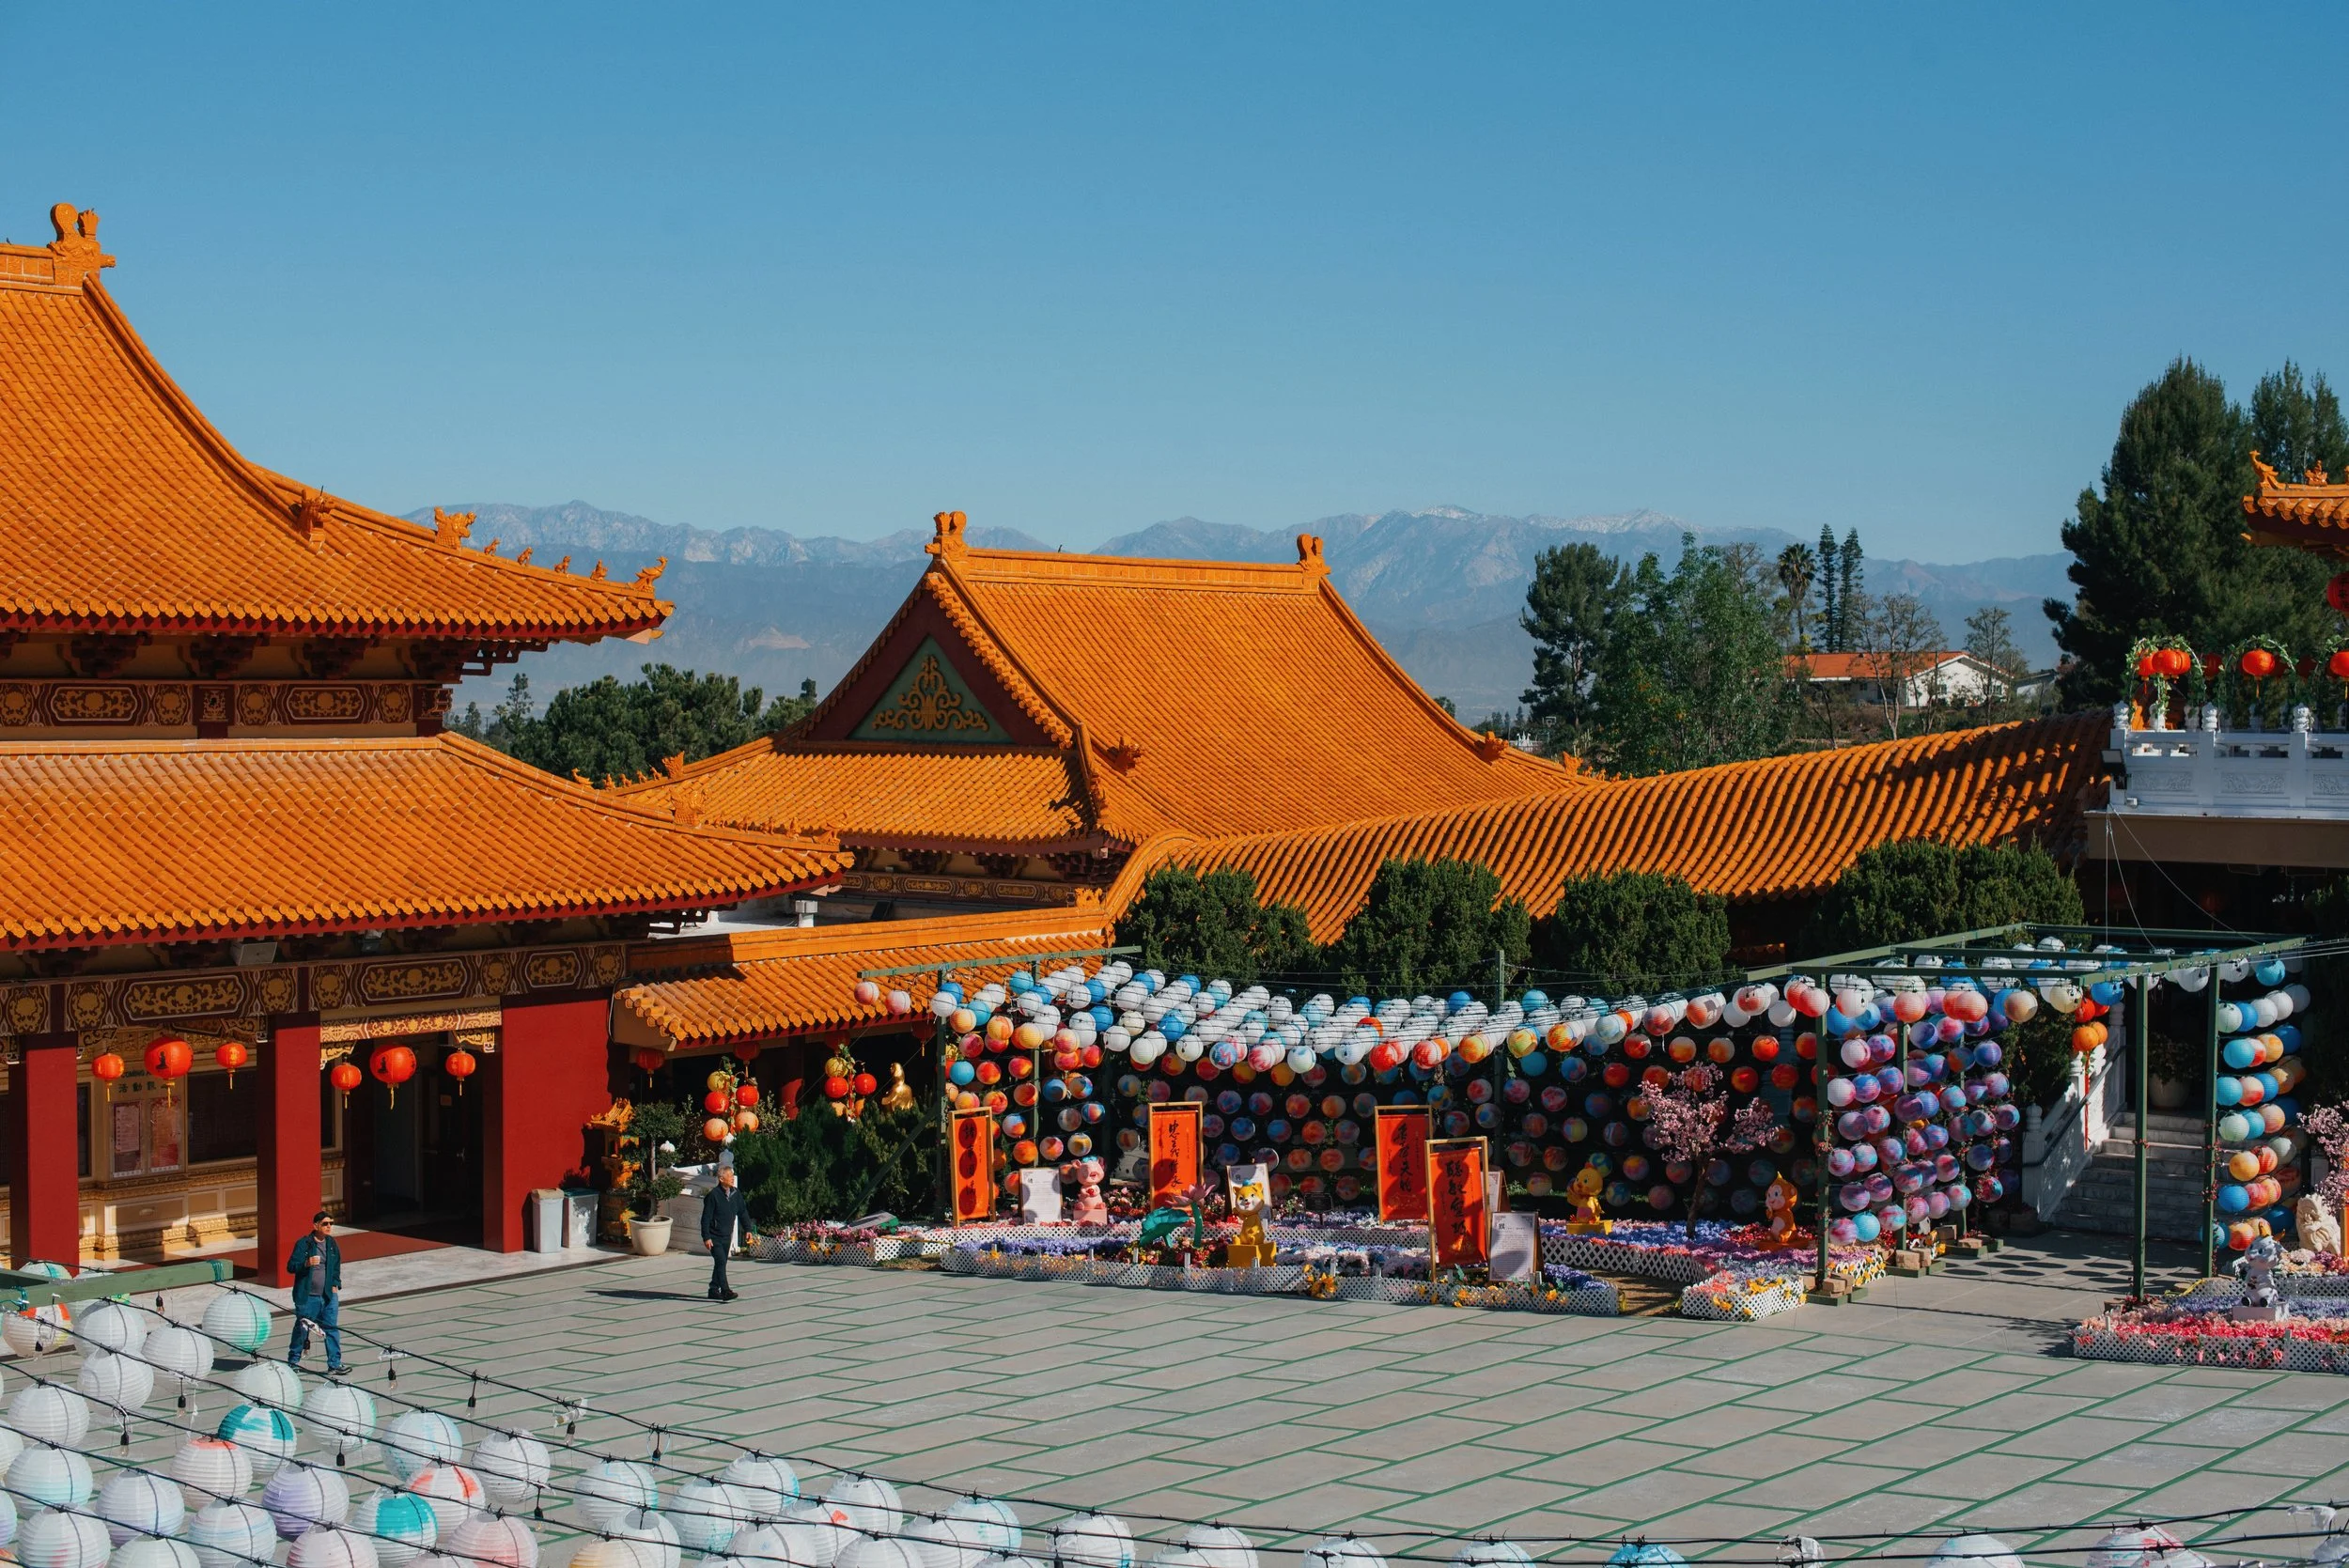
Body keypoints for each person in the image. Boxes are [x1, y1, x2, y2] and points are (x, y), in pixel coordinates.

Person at [285, 1210, 345, 1374]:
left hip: (328, 1296)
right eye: (325, 1223)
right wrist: (306, 1263)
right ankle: (294, 1361)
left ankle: (334, 1364)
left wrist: (335, 1283)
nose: (329, 1227)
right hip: (308, 1297)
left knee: (331, 1328)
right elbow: (291, 1267)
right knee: (303, 1328)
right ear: (316, 1225)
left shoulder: (331, 1243)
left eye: (331, 1223)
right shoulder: (304, 1244)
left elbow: (336, 1265)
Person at [702, 1164, 754, 1301]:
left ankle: (713, 1289)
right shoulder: (713, 1196)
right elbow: (705, 1218)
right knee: (721, 1261)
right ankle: (725, 1291)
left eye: (732, 1176)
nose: (732, 1178)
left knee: (721, 1262)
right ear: (721, 1179)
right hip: (714, 1236)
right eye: (729, 1176)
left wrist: (748, 1229)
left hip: (726, 1235)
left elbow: (742, 1212)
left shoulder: (736, 1193)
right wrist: (706, 1237)